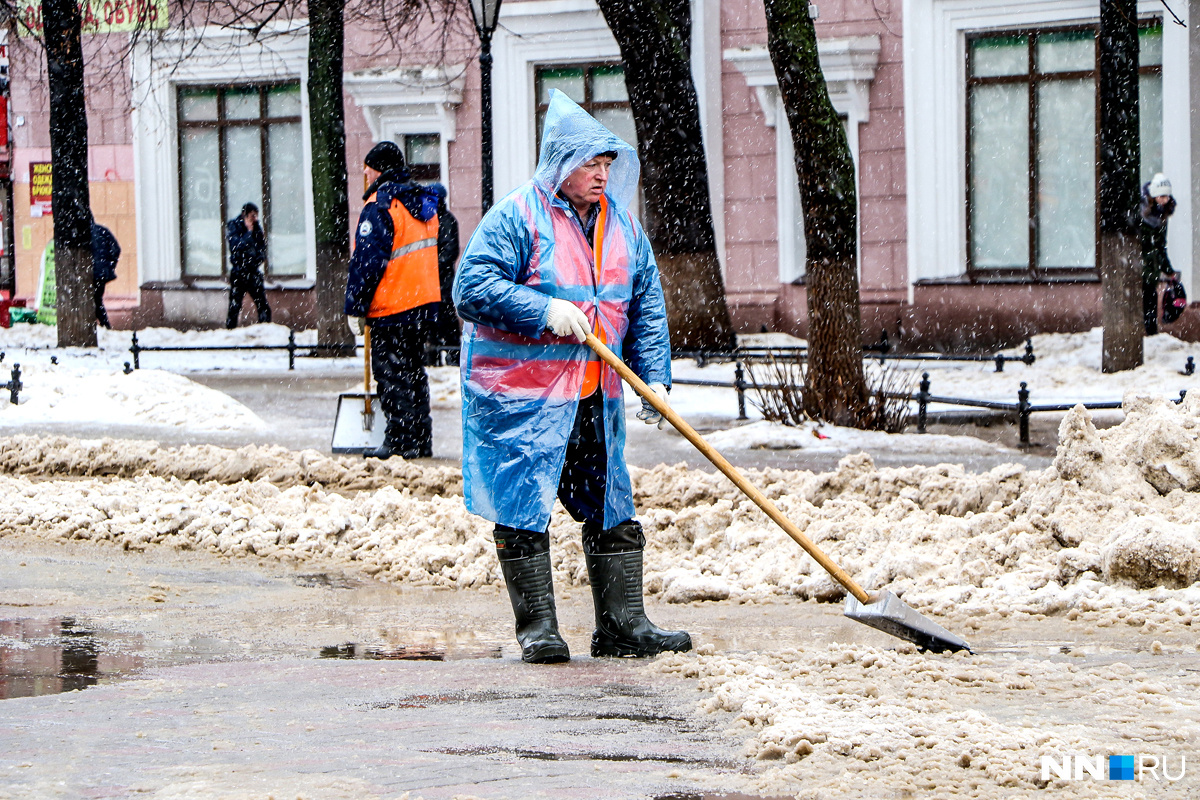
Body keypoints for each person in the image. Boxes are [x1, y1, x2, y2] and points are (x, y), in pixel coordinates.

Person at [453, 90, 691, 664]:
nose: (602, 175)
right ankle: (538, 628)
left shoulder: (624, 228)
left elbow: (646, 306)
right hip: (522, 398)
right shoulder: (515, 217)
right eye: (590, 163)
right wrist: (543, 311)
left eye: (608, 164)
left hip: (594, 392)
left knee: (611, 501)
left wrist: (653, 377)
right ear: (560, 164)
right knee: (522, 505)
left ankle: (622, 626)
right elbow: (471, 286)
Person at [345, 141, 443, 460]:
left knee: (391, 374)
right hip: (422, 303)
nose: (365, 172)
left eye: (369, 167)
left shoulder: (381, 205)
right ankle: (419, 438)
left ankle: (400, 441)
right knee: (414, 371)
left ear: (380, 170)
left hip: (392, 305)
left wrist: (355, 307)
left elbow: (367, 262)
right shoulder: (422, 202)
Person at [1140, 172, 1178, 335]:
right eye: (1162, 196)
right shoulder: (1140, 212)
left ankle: (1150, 331)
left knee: (1150, 297)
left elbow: (1161, 246)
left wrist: (1169, 271)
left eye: (1167, 196)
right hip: (1140, 264)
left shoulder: (1162, 214)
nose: (1165, 200)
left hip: (1150, 266)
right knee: (1146, 297)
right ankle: (1148, 331)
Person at [428, 183, 461, 366]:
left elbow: (449, 252)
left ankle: (452, 357)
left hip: (443, 283)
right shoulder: (429, 220)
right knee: (431, 323)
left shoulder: (446, 221)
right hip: (432, 283)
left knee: (447, 321)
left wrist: (431, 264)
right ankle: (431, 358)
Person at [225, 202, 271, 329]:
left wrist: (256, 261)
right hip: (239, 272)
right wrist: (248, 233)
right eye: (252, 216)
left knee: (262, 304)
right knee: (235, 305)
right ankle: (230, 331)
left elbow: (262, 249)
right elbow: (235, 246)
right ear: (245, 215)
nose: (254, 219)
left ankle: (265, 329)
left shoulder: (257, 228)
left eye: (256, 216)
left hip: (252, 271)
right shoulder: (234, 226)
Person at [90, 216, 120, 329]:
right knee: (97, 298)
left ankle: (104, 325)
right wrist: (109, 266)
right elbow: (116, 249)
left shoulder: (82, 235)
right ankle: (103, 325)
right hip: (102, 273)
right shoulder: (102, 231)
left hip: (90, 274)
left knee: (94, 300)